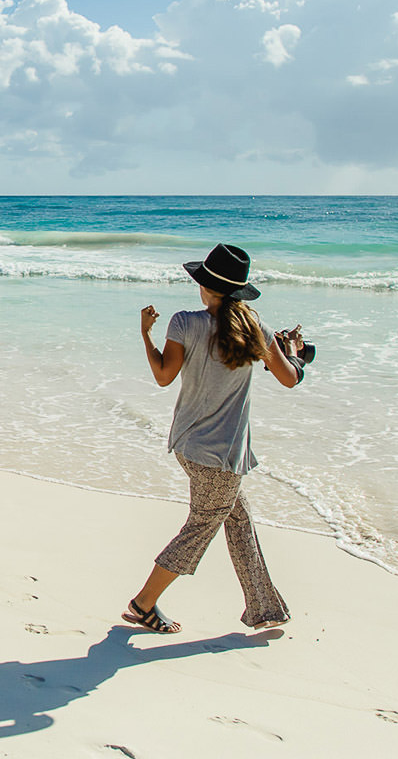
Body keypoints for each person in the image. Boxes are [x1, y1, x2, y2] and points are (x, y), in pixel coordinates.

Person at [123, 243, 307, 634]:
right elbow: (289, 378)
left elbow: (162, 375)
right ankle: (143, 604)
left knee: (238, 520)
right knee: (202, 527)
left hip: (189, 446)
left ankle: (264, 608)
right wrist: (297, 356)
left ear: (205, 285)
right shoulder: (258, 330)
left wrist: (144, 334)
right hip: (222, 456)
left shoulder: (184, 323)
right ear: (239, 291)